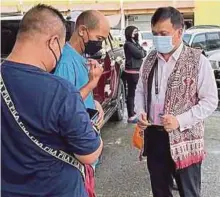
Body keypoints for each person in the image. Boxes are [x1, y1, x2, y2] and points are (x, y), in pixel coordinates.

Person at [1, 4, 103, 197]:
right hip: (57, 190)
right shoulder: (59, 90)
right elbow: (89, 154)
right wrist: (95, 125)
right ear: (53, 42)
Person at [135, 7, 218, 197]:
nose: (158, 39)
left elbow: (210, 101)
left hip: (185, 139)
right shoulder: (150, 59)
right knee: (160, 191)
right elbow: (140, 90)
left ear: (179, 32)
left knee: (188, 192)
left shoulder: (197, 60)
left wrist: (180, 120)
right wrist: (140, 110)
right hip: (155, 136)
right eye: (155, 34)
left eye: (163, 34)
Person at [54, 10, 110, 130]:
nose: (100, 44)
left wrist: (94, 103)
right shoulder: (66, 62)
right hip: (75, 137)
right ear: (82, 31)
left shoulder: (81, 57)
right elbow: (64, 105)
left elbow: (80, 94)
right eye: (99, 38)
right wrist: (92, 84)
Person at [123, 26, 146, 123]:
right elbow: (140, 54)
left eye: (137, 31)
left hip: (137, 70)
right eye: (134, 31)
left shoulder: (135, 43)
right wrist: (142, 51)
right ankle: (131, 115)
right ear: (130, 33)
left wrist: (142, 51)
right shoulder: (128, 44)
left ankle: (135, 112)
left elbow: (144, 52)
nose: (136, 33)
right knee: (132, 93)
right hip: (132, 72)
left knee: (137, 92)